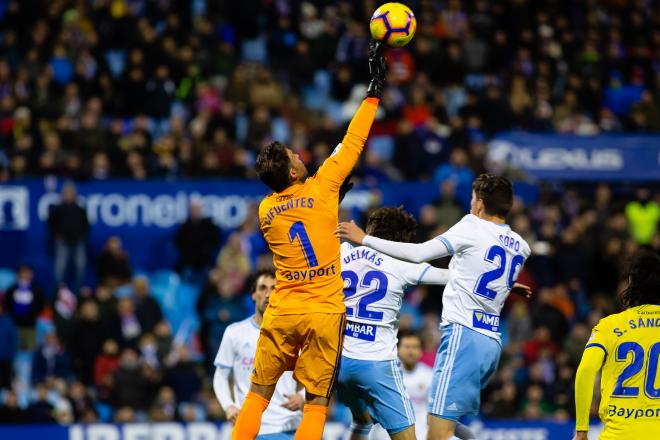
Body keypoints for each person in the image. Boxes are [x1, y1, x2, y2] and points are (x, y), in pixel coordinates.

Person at [231, 40, 387, 440]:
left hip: (283, 308)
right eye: (294, 155)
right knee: (317, 401)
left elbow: (297, 220)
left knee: (257, 395)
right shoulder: (323, 187)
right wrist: (372, 95)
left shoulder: (266, 211)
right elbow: (353, 142)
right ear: (293, 172)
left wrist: (330, 199)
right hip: (324, 311)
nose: (301, 155)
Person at [337, 174, 532, 440]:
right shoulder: (522, 246)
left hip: (461, 337)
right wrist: (508, 285)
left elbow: (418, 253)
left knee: (436, 434)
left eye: (473, 198)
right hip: (490, 343)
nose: (470, 204)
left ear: (480, 205)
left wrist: (362, 239)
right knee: (442, 423)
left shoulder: (472, 225)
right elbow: (460, 274)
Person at [336, 207, 450, 440]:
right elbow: (450, 277)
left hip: (340, 364)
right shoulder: (401, 266)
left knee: (362, 420)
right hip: (377, 365)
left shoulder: (342, 253)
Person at [573, 251, 660, 440]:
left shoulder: (609, 325)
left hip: (619, 434)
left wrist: (581, 429)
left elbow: (586, 370)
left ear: (631, 284)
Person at [213, 270, 304, 439]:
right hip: (251, 428)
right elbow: (221, 376)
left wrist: (302, 396)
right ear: (253, 295)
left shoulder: (295, 334)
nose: (268, 294)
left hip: (289, 425)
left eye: (274, 288)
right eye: (263, 288)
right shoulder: (235, 333)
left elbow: (313, 373)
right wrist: (228, 406)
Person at [48, 182, 89, 290]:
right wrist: (57, 235)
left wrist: (81, 236)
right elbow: (51, 224)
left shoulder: (80, 209)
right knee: (60, 267)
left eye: (71, 193)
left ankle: (78, 291)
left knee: (80, 266)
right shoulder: (57, 209)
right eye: (67, 193)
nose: (69, 195)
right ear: (63, 194)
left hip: (78, 241)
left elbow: (86, 224)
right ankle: (58, 291)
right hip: (62, 242)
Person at [398, 331, 435, 440]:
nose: (411, 351)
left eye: (415, 347)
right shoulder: (388, 376)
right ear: (397, 350)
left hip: (422, 432)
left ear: (420, 351)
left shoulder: (430, 376)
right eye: (407, 347)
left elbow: (433, 412)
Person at [174, 200, 221, 278]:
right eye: (193, 209)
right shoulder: (185, 226)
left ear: (201, 210)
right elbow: (178, 242)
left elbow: (216, 239)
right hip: (188, 261)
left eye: (197, 209)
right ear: (190, 211)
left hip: (205, 260)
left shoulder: (209, 224)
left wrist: (207, 249)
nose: (195, 212)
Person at [4, 264, 46, 351]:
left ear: (31, 274)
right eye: (23, 272)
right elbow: (6, 305)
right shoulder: (12, 289)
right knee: (13, 349)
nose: (25, 275)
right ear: (18, 274)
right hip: (14, 326)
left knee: (29, 351)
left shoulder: (37, 289)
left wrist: (33, 314)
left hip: (30, 326)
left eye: (27, 272)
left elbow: (41, 304)